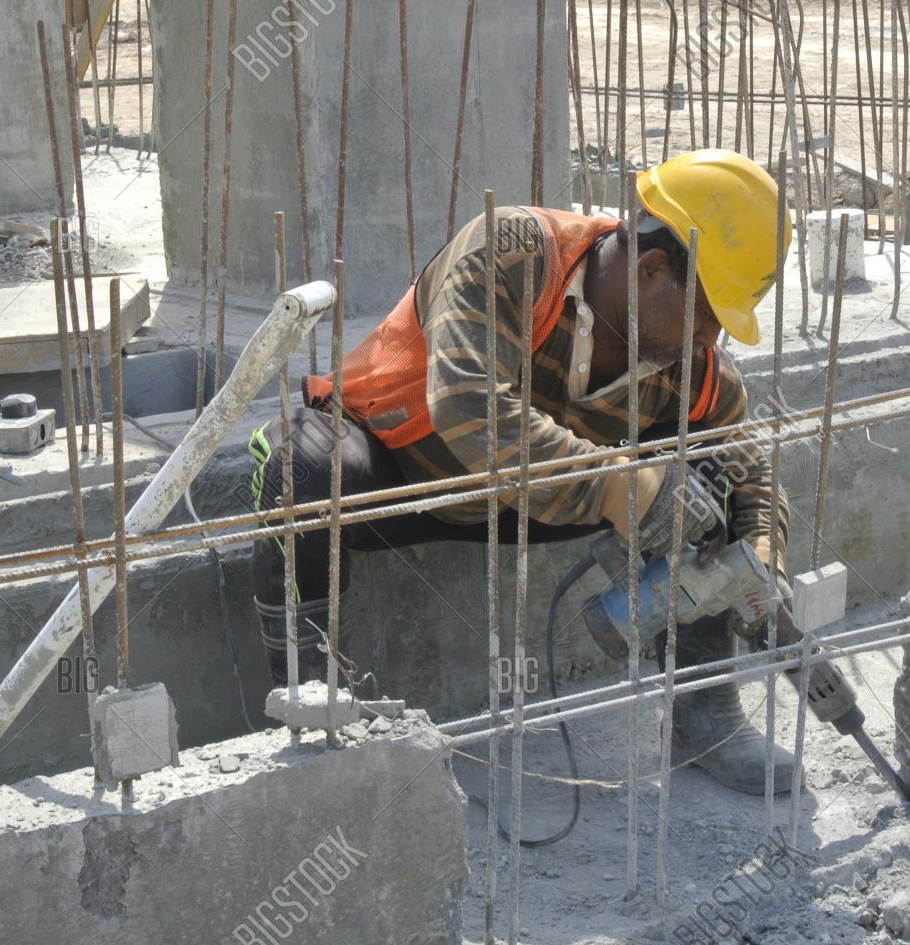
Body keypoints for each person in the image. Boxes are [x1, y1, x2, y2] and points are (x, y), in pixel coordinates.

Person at [249, 148, 796, 795]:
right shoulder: (515, 252)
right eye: (705, 319)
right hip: (405, 473)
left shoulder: (693, 370)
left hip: (539, 504)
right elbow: (464, 402)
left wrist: (760, 554)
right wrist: (619, 483)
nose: (709, 343)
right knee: (309, 471)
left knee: (712, 486)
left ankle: (705, 714)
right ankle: (310, 710)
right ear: (653, 269)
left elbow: (750, 471)